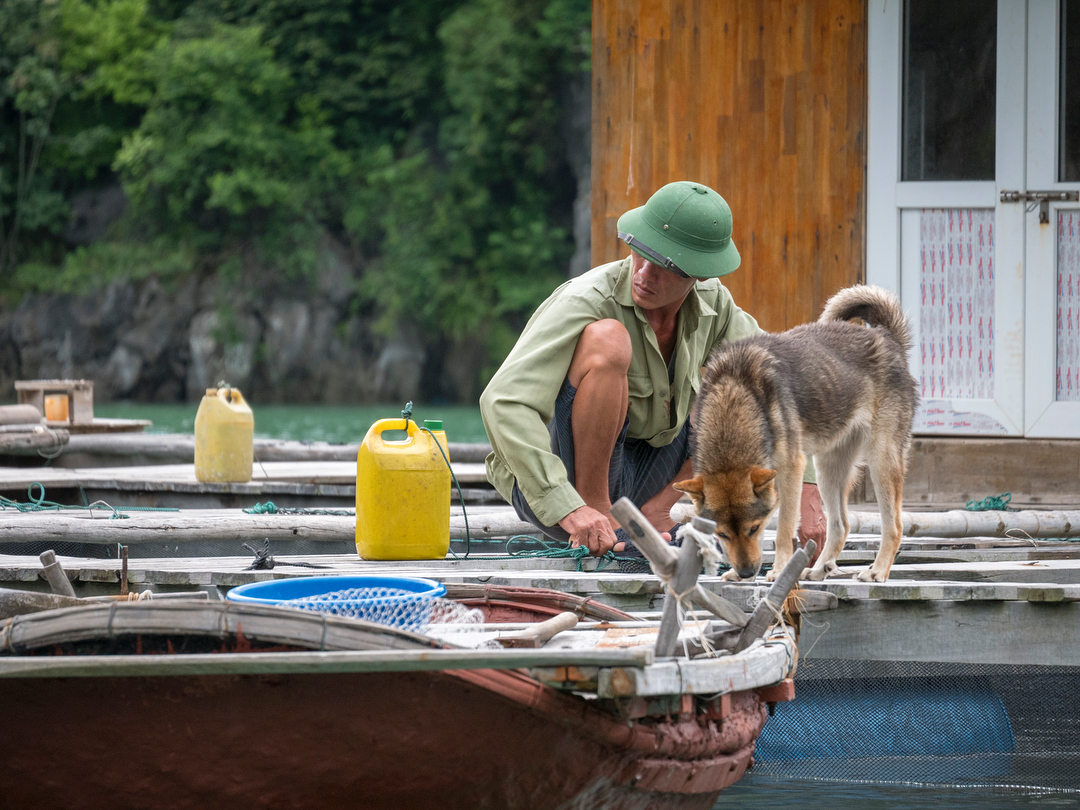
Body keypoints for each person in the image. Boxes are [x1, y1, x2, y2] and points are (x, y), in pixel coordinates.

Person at [480, 181, 825, 558]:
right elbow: (504, 401)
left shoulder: (717, 306)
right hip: (563, 482)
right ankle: (600, 515)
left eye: (666, 266)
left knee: (740, 387)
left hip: (653, 475)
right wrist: (569, 507)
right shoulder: (588, 298)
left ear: (701, 274)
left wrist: (807, 493)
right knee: (609, 339)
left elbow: (782, 381)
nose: (644, 273)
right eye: (640, 252)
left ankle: (658, 515)